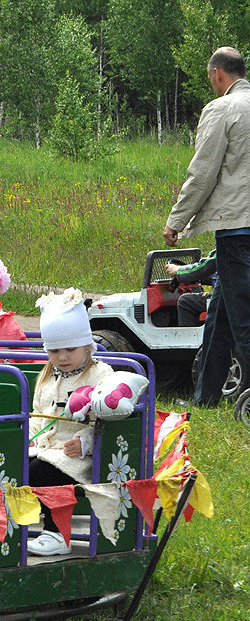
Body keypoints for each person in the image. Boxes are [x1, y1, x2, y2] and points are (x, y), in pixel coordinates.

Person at [0, 289, 116, 556]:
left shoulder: (101, 375)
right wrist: (29, 437)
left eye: (71, 349)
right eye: (55, 351)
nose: (63, 357)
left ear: (87, 346)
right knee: (4, 463)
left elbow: (106, 421)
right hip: (44, 449)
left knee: (41, 472)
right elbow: (36, 415)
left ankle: (57, 533)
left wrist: (84, 443)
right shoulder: (46, 376)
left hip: (81, 456)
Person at [163, 47, 250, 406]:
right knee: (220, 318)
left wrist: (177, 221)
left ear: (217, 74)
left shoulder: (222, 109)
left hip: (237, 229)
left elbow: (203, 172)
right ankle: (205, 399)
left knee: (244, 320)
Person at [166, 250, 216, 327]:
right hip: (234, 294)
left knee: (185, 301)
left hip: (224, 298)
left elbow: (204, 268)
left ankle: (187, 337)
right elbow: (217, 276)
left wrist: (178, 270)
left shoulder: (225, 245)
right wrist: (194, 277)